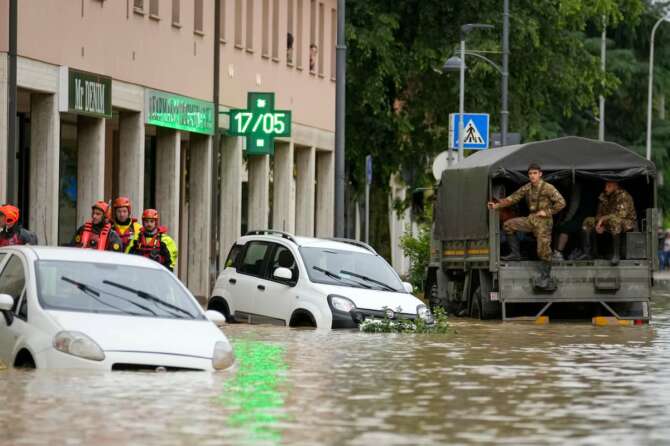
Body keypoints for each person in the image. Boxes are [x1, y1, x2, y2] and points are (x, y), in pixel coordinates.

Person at [488, 163, 566, 288]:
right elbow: (513, 198)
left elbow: (561, 203)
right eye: (530, 173)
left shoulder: (548, 187)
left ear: (540, 174)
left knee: (543, 250)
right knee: (508, 225)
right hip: (531, 219)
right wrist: (497, 205)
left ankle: (546, 277)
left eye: (535, 173)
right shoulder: (528, 187)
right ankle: (515, 254)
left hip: (544, 222)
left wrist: (547, 212)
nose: (532, 176)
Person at [579, 180, 636, 265]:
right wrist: (600, 223)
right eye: (606, 186)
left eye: (609, 186)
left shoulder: (623, 196)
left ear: (615, 186)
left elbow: (620, 215)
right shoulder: (604, 196)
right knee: (588, 221)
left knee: (615, 221)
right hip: (608, 221)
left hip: (626, 223)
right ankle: (587, 253)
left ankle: (616, 255)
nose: (606, 189)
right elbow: (599, 213)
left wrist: (602, 220)